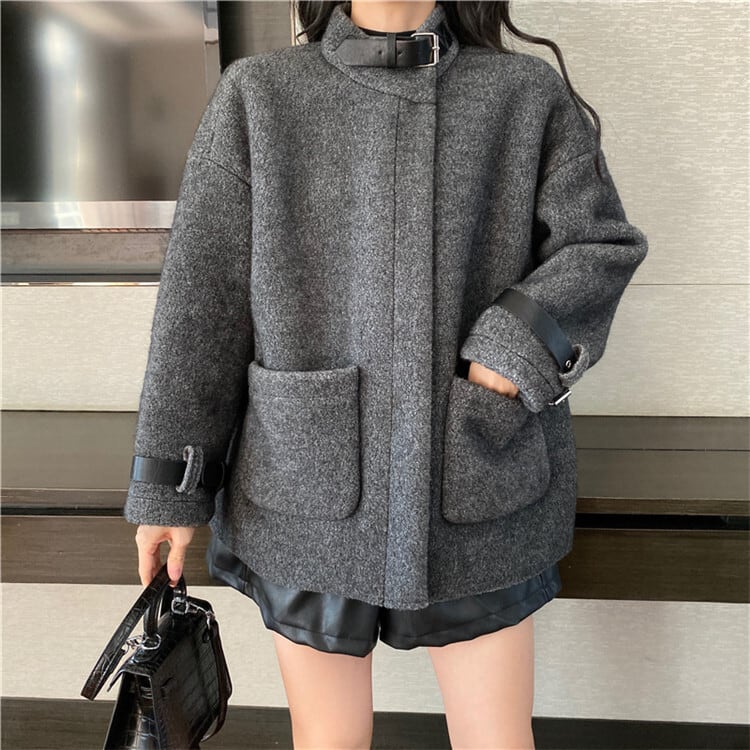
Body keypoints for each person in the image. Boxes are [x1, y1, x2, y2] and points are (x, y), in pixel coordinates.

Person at [124, 1, 649, 747]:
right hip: (307, 487)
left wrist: (511, 353)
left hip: (476, 475)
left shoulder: (524, 95)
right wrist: (169, 488)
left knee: (496, 737)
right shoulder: (259, 95)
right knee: (329, 739)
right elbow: (201, 302)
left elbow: (598, 245)